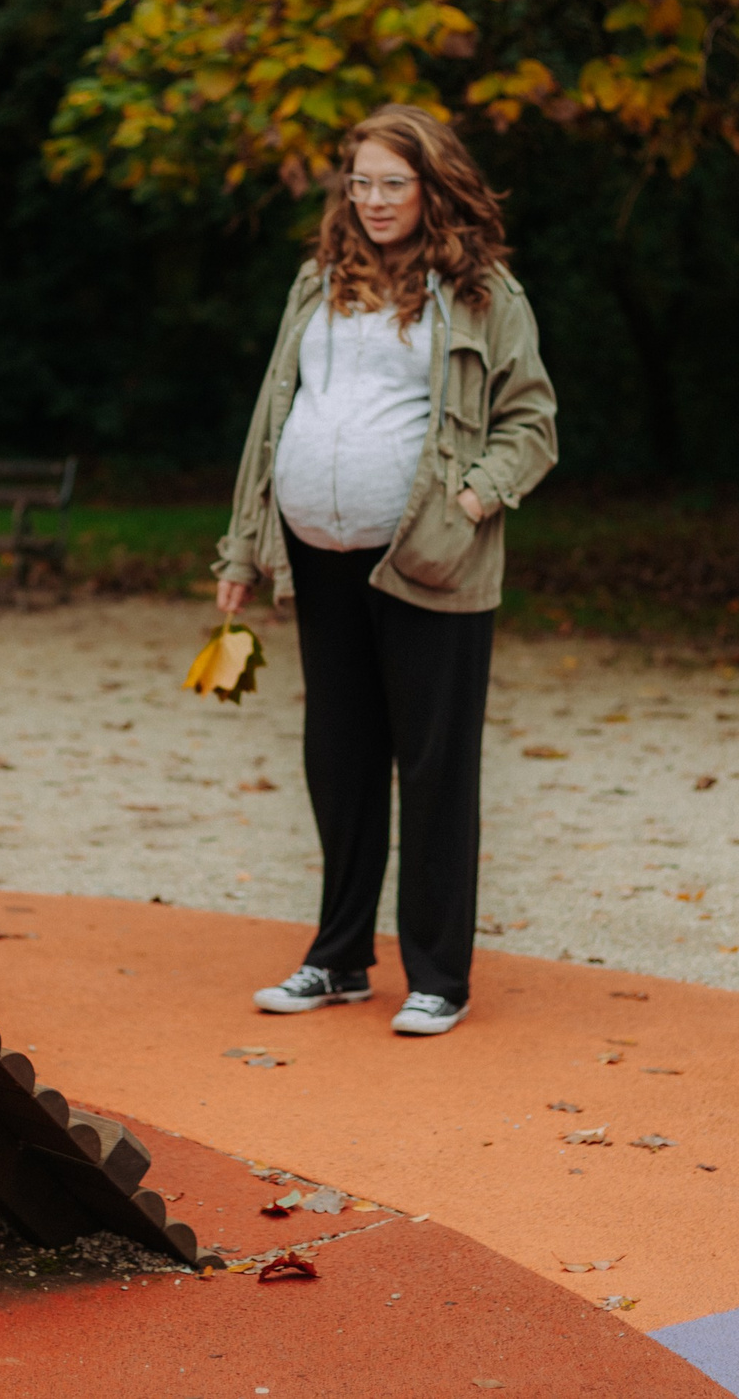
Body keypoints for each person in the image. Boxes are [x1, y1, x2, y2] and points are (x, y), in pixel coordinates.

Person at [214, 105, 557, 1037]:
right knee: (340, 760)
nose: (371, 200)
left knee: (435, 769)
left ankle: (439, 975)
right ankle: (339, 961)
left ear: (433, 186)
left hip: (431, 565)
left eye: (391, 183)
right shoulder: (317, 283)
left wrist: (473, 504)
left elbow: (533, 423)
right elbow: (271, 416)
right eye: (359, 182)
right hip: (321, 560)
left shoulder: (483, 292)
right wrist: (245, 546)